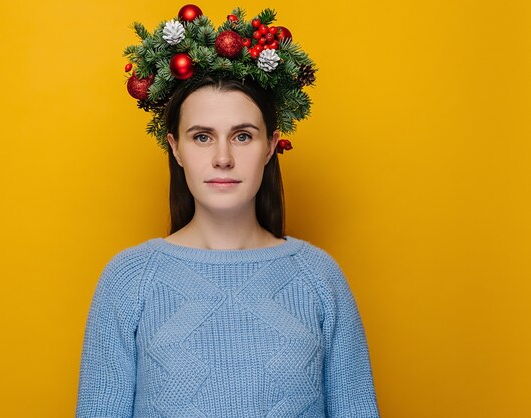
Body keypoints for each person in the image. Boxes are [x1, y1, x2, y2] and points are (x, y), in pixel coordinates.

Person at [76, 5, 380, 417]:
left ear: (271, 146)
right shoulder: (129, 281)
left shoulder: (319, 278)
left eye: (242, 136)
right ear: (175, 148)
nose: (223, 158)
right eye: (202, 137)